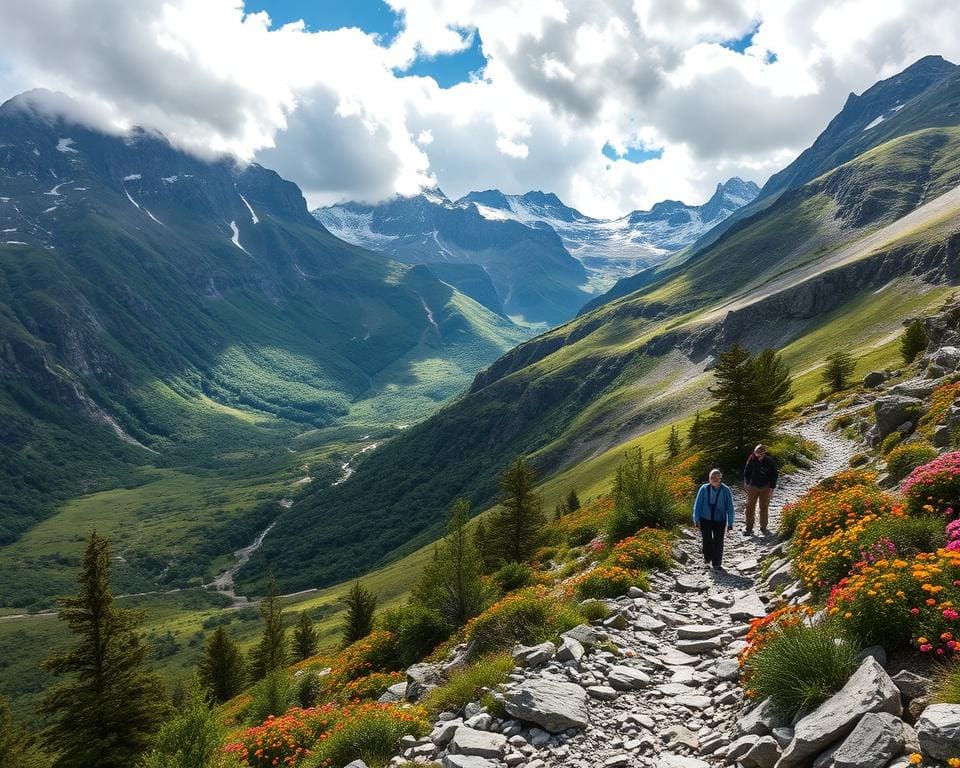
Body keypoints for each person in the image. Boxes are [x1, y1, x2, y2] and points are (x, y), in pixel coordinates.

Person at [692, 469, 734, 570]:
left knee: (718, 541)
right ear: (709, 478)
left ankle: (717, 563)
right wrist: (696, 519)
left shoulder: (725, 490)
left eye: (716, 478)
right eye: (712, 478)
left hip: (720, 519)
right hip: (705, 518)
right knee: (707, 539)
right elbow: (697, 505)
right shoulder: (704, 488)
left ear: (720, 478)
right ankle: (707, 559)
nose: (714, 479)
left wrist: (730, 523)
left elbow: (730, 507)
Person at [743, 443, 777, 535]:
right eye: (756, 452)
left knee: (764, 507)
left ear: (764, 453)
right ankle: (749, 527)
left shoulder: (770, 461)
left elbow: (774, 476)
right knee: (749, 507)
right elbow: (747, 471)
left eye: (760, 453)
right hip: (753, 486)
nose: (758, 454)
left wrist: (771, 489)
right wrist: (746, 482)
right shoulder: (751, 458)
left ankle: (763, 527)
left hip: (765, 487)